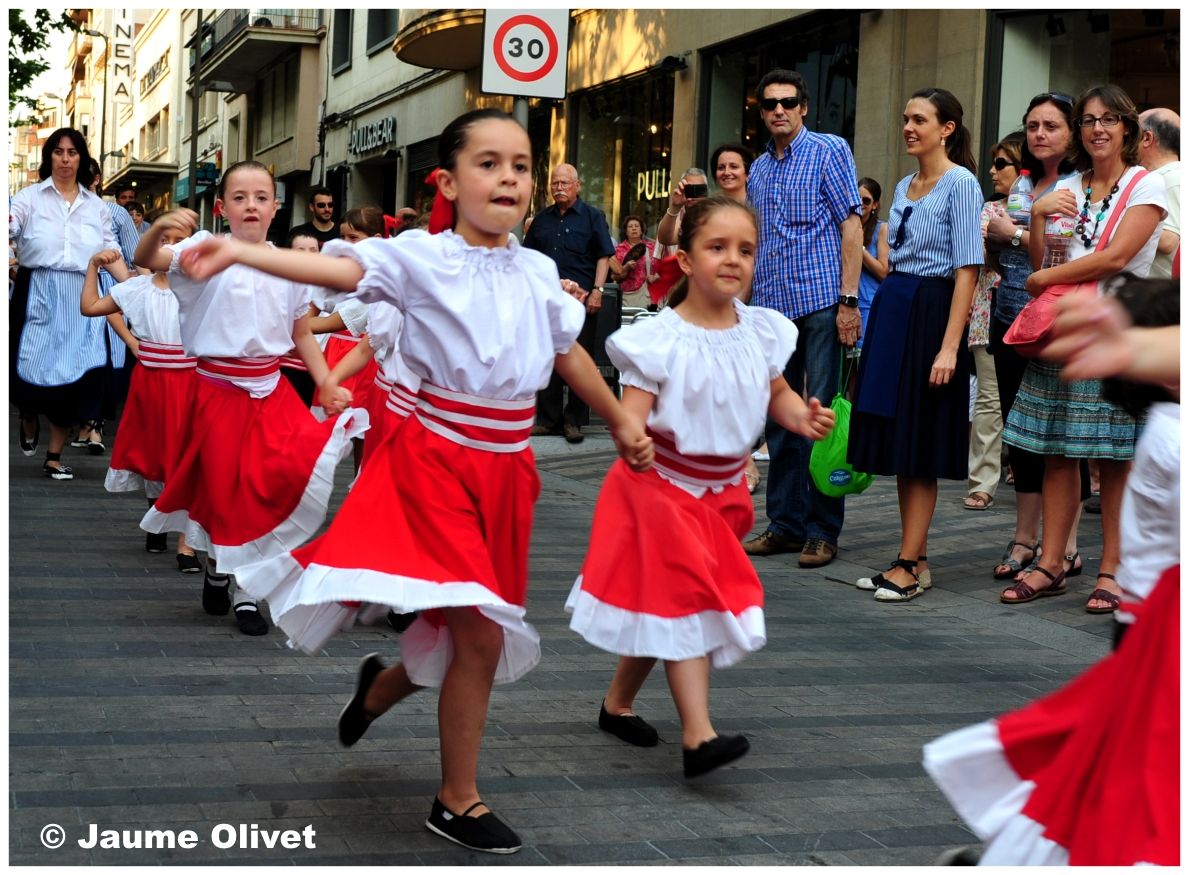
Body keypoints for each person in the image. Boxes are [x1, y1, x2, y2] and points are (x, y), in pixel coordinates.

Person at [174, 108, 654, 854]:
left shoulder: (534, 271)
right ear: (448, 179)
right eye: (488, 163)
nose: (508, 178)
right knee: (479, 634)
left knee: (469, 634)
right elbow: (338, 271)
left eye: (520, 165)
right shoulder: (417, 257)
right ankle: (456, 799)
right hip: (433, 463)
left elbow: (567, 354)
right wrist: (241, 255)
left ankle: (380, 687)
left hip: (506, 473)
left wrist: (622, 421)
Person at [567, 195, 834, 778]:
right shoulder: (660, 337)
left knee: (661, 603)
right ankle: (698, 736)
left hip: (721, 498)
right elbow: (632, 411)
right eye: (717, 248)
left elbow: (777, 394)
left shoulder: (759, 332)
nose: (733, 260)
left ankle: (617, 704)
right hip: (658, 489)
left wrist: (801, 417)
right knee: (689, 600)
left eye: (746, 250)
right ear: (685, 260)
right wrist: (631, 436)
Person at [923, 282, 1179, 867]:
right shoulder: (1171, 436)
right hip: (1157, 640)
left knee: (1105, 781)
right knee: (1132, 799)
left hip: (1152, 635)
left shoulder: (1167, 427)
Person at [133, 160, 364, 636]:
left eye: (261, 197)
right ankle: (223, 570)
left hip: (272, 389)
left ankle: (245, 589)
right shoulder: (203, 248)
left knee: (273, 479)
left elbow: (301, 332)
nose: (251, 206)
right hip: (217, 390)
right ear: (222, 207)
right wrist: (159, 226)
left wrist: (325, 381)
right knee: (224, 487)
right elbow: (150, 259)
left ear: (276, 207)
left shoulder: (289, 265)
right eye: (240, 198)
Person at [1000, 84, 1166, 614]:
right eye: (1090, 120)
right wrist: (1043, 217)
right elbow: (1036, 263)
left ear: (1129, 130)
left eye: (1109, 120)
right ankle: (1051, 562)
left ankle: (1113, 570)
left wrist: (1043, 277)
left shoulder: (1148, 186)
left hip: (1114, 328)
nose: (1098, 128)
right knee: (1054, 453)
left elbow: (1115, 258)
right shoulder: (1070, 184)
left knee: (1114, 460)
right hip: (1066, 328)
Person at [848, 87, 983, 602]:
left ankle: (908, 564)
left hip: (932, 312)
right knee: (902, 442)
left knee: (921, 443)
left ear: (946, 127)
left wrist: (950, 348)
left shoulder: (962, 184)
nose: (908, 126)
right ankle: (915, 559)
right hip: (895, 307)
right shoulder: (905, 183)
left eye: (919, 119)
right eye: (905, 118)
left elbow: (967, 270)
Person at [741, 68, 863, 569]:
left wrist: (849, 301)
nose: (778, 110)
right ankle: (786, 525)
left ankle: (821, 530)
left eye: (788, 102)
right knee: (780, 422)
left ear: (804, 106)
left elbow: (851, 225)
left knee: (818, 416)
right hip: (771, 312)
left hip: (818, 304)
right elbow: (755, 246)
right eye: (769, 104)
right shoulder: (759, 170)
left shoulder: (828, 150)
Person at [986, 92, 1082, 583]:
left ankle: (1063, 545)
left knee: (1062, 435)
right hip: (1010, 317)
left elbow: (1061, 258)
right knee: (1019, 431)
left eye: (1051, 125)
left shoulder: (1076, 185)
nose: (1039, 134)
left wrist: (1016, 232)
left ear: (1072, 132)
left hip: (1057, 322)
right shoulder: (1023, 181)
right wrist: (992, 232)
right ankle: (1025, 537)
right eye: (1032, 126)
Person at [81, 236, 201, 572]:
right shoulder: (139, 288)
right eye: (165, 241)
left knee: (188, 455)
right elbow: (90, 307)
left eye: (179, 243)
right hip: (151, 379)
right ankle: (157, 518)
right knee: (154, 452)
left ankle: (187, 545)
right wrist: (94, 265)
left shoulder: (200, 288)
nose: (170, 249)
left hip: (192, 380)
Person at [9, 128, 119, 480]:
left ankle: (53, 456)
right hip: (37, 285)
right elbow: (8, 226)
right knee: (23, 363)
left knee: (79, 372)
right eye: (58, 152)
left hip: (83, 292)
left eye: (72, 152)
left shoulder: (97, 206)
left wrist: (135, 288)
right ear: (49, 158)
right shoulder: (29, 198)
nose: (66, 159)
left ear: (82, 158)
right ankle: (27, 412)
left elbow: (110, 250)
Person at [523, 163, 616, 443]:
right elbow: (529, 259)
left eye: (564, 183)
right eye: (555, 183)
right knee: (549, 358)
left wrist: (598, 288)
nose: (559, 188)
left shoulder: (592, 217)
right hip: (548, 301)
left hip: (583, 300)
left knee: (581, 357)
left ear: (577, 186)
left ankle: (574, 420)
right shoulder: (541, 219)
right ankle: (549, 420)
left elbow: (603, 255)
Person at [963, 134, 1024, 511]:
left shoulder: (1049, 206)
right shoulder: (989, 210)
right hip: (988, 315)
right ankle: (983, 480)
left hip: (1036, 318)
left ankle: (1024, 471)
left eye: (1002, 163)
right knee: (989, 401)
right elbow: (983, 254)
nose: (992, 170)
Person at [77, 158, 142, 455]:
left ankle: (96, 425)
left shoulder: (115, 212)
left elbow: (134, 254)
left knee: (106, 356)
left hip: (111, 290)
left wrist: (139, 293)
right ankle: (80, 419)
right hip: (73, 290)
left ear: (97, 179)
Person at [276, 232, 324, 406]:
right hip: (282, 362)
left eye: (313, 250)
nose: (308, 255)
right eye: (300, 250)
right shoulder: (279, 282)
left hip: (309, 364)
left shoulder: (323, 284)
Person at [1137, 108, 1180, 278]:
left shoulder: (1172, 178)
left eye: (1133, 135)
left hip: (1163, 296)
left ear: (1147, 138)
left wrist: (1119, 217)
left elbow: (1168, 240)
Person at [856, 176, 889, 348]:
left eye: (866, 200)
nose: (861, 203)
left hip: (869, 304)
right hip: (843, 304)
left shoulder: (881, 229)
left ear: (875, 204)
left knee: (861, 361)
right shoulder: (845, 225)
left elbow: (884, 272)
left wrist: (859, 249)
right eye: (857, 198)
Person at [655, 166, 710, 254]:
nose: (693, 195)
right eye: (690, 189)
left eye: (699, 189)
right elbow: (665, 239)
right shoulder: (674, 217)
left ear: (706, 191)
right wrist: (675, 206)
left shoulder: (714, 214)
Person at [608, 214, 657, 309]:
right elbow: (613, 276)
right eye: (630, 226)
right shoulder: (619, 249)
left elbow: (660, 268)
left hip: (647, 294)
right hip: (627, 295)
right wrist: (626, 267)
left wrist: (655, 276)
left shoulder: (652, 248)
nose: (634, 228)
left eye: (637, 226)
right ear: (626, 232)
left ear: (642, 230)